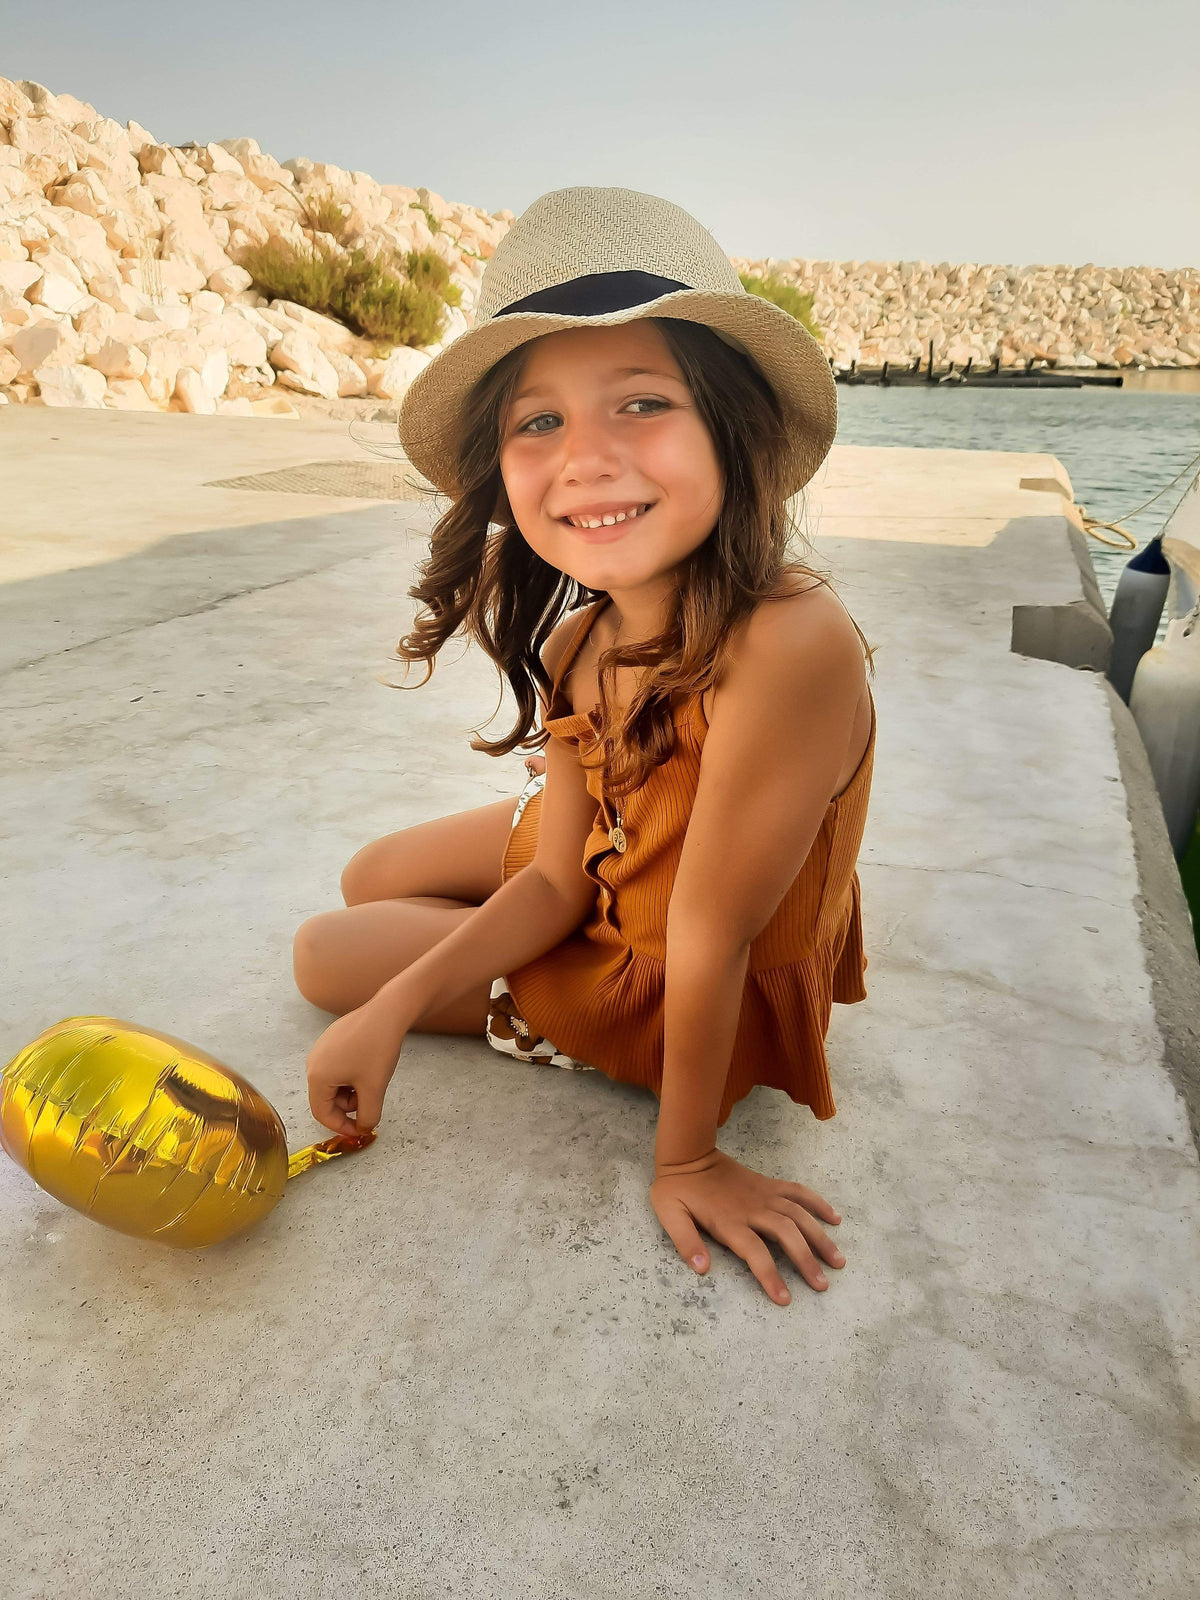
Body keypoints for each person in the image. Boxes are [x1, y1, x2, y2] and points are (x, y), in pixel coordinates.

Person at [293, 186, 877, 1307]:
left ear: (734, 428)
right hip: (611, 862)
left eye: (643, 402)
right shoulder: (576, 640)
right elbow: (562, 876)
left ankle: (498, 979)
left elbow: (710, 928)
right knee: (372, 879)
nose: (585, 459)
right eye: (539, 419)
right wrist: (397, 1011)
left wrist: (688, 1158)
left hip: (665, 964)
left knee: (327, 951)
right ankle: (452, 953)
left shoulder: (794, 641)